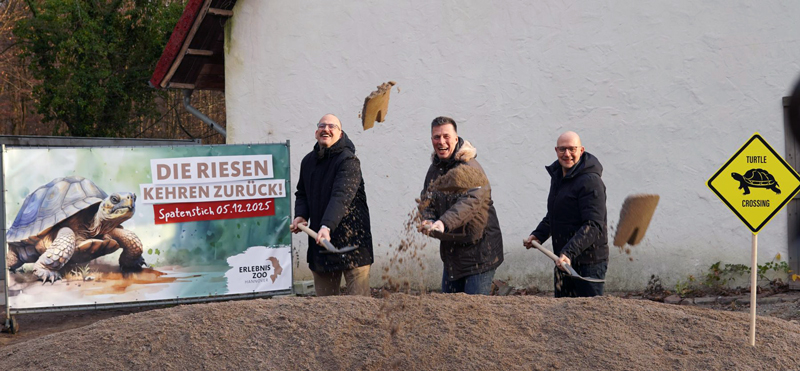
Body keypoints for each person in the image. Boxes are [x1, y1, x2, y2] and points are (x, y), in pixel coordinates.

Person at [290, 114, 373, 296]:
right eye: (322, 126)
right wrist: (301, 215)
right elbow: (302, 193)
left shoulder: (349, 161)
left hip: (353, 243)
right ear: (316, 133)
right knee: (326, 306)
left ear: (340, 134)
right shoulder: (308, 162)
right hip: (321, 244)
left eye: (332, 126)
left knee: (359, 305)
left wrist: (326, 226)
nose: (326, 129)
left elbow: (341, 196)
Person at [418, 116, 503, 295]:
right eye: (436, 137)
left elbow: (470, 201)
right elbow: (427, 198)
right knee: (449, 307)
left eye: (446, 136)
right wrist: (428, 219)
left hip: (480, 254)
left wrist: (443, 223)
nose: (441, 142)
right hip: (452, 254)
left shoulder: (470, 167)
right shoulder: (435, 169)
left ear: (456, 139)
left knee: (474, 308)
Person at [524, 131, 609, 297]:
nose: (567, 154)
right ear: (556, 150)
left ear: (581, 150)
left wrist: (569, 252)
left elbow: (593, 225)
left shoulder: (591, 181)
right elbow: (556, 214)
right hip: (563, 260)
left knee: (588, 311)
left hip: (588, 263)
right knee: (562, 310)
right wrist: (538, 235)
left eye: (572, 149)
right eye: (562, 149)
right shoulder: (558, 175)